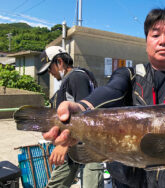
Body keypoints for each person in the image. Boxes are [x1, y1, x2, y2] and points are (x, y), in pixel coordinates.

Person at [42, 8, 165, 188]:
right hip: (127, 180)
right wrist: (82, 106)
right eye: (155, 35)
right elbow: (111, 91)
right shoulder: (128, 75)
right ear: (146, 42)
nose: (163, 41)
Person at [37, 46, 104, 188]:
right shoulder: (70, 80)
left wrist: (64, 144)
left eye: (50, 68)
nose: (50, 73)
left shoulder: (77, 77)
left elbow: (85, 117)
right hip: (73, 146)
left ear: (60, 62)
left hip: (89, 148)